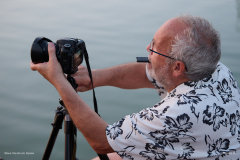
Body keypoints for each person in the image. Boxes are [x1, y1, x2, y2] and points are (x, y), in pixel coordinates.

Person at [31, 15, 240, 160]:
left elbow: (102, 141)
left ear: (177, 67)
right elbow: (146, 73)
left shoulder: (179, 112)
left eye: (155, 46)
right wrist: (94, 78)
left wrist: (59, 81)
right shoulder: (215, 69)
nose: (148, 49)